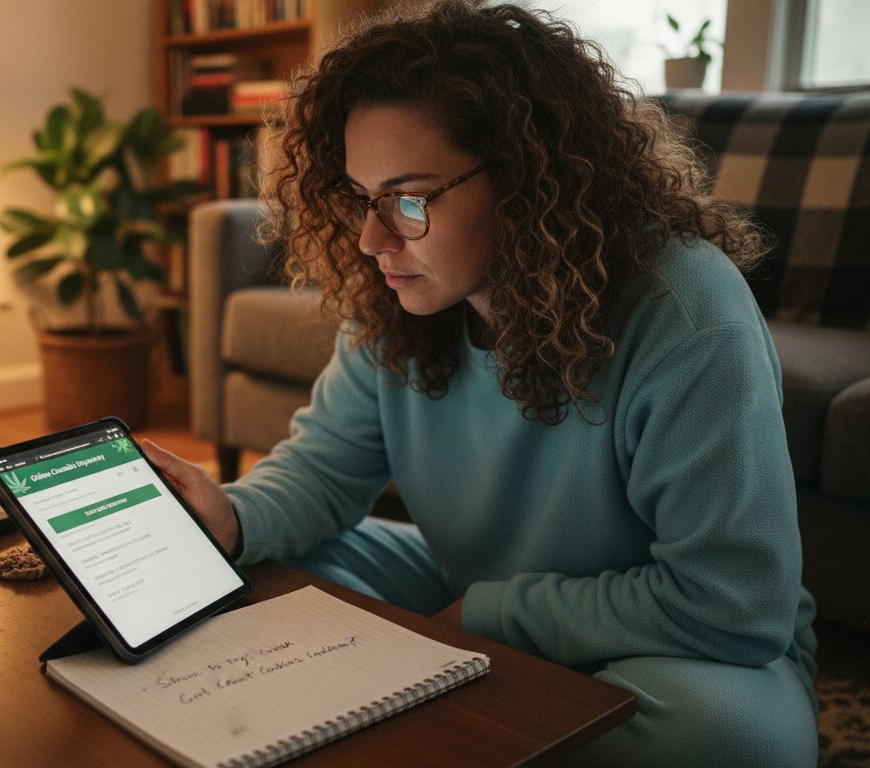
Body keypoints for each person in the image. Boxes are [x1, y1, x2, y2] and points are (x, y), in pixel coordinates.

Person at [142, 2, 819, 765]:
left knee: (728, 741)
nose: (370, 241)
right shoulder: (405, 301)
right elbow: (321, 477)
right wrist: (228, 518)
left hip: (671, 645)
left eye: (408, 199)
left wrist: (496, 615)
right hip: (463, 588)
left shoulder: (686, 312)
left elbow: (735, 604)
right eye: (361, 198)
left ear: (530, 179)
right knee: (256, 583)